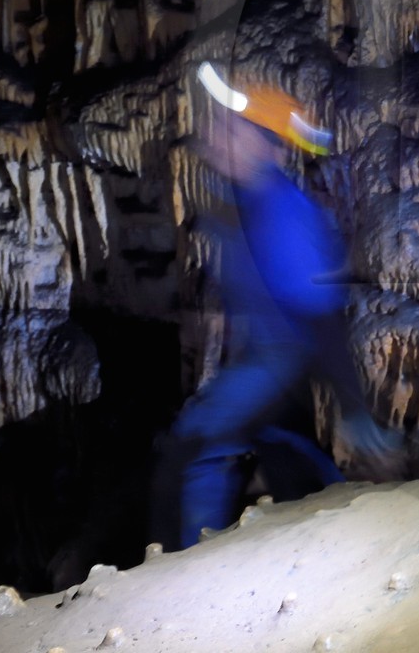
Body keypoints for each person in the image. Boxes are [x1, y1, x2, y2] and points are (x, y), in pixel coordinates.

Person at [154, 71, 401, 550]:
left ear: (267, 147)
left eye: (232, 129)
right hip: (270, 359)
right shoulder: (241, 202)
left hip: (285, 358)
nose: (217, 134)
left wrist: (355, 411)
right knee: (288, 458)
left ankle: (184, 569)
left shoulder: (279, 212)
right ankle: (345, 541)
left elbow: (320, 317)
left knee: (194, 450)